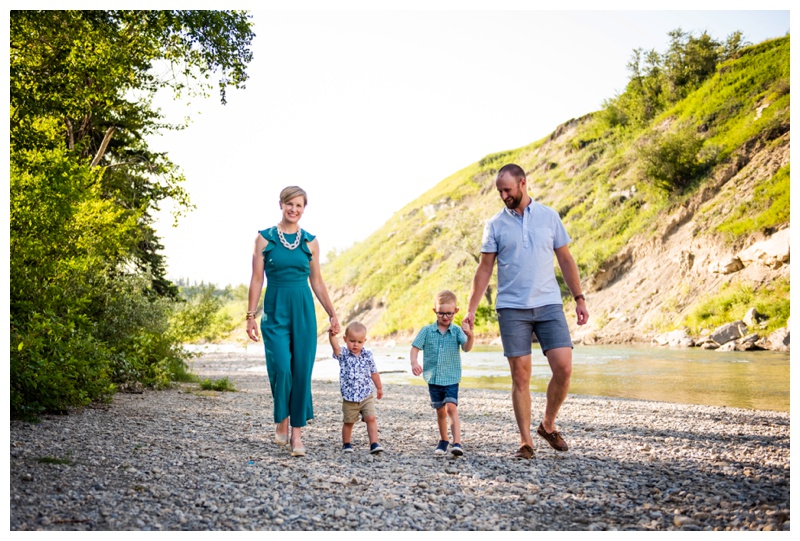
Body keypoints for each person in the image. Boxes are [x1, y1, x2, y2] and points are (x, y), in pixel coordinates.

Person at [462, 164, 589, 460]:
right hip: (511, 308)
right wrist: (471, 309)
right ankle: (525, 441)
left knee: (564, 368)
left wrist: (579, 298)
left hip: (549, 304)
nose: (503, 195)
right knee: (521, 376)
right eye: (499, 191)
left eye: (507, 189)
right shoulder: (494, 224)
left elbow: (566, 260)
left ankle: (547, 424)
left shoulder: (549, 217)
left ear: (522, 183)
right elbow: (484, 269)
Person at [246, 186, 340, 458]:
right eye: (290, 204)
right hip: (275, 310)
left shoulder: (310, 242)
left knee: (301, 372)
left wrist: (332, 313)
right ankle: (282, 418)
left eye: (299, 206)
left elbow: (318, 282)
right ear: (281, 204)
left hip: (303, 311)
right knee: (281, 368)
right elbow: (256, 280)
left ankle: (296, 434)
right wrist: (251, 315)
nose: (294, 210)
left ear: (303, 209)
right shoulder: (264, 239)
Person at [410, 290, 475, 456]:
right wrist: (414, 362)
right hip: (434, 378)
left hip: (451, 377)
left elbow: (467, 348)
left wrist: (470, 334)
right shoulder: (427, 331)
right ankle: (444, 439)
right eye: (441, 313)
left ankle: (457, 442)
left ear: (456, 312)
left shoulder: (457, 331)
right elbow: (415, 348)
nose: (445, 317)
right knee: (440, 411)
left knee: (452, 408)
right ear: (435, 311)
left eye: (449, 313)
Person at [328, 321, 385, 454]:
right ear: (345, 339)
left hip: (366, 395)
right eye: (352, 341)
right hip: (349, 397)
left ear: (364, 341)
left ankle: (374, 443)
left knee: (371, 418)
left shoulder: (367, 355)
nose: (355, 344)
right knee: (349, 421)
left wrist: (379, 388)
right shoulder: (343, 354)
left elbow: (374, 372)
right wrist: (332, 336)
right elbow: (335, 347)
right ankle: (347, 444)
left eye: (359, 342)